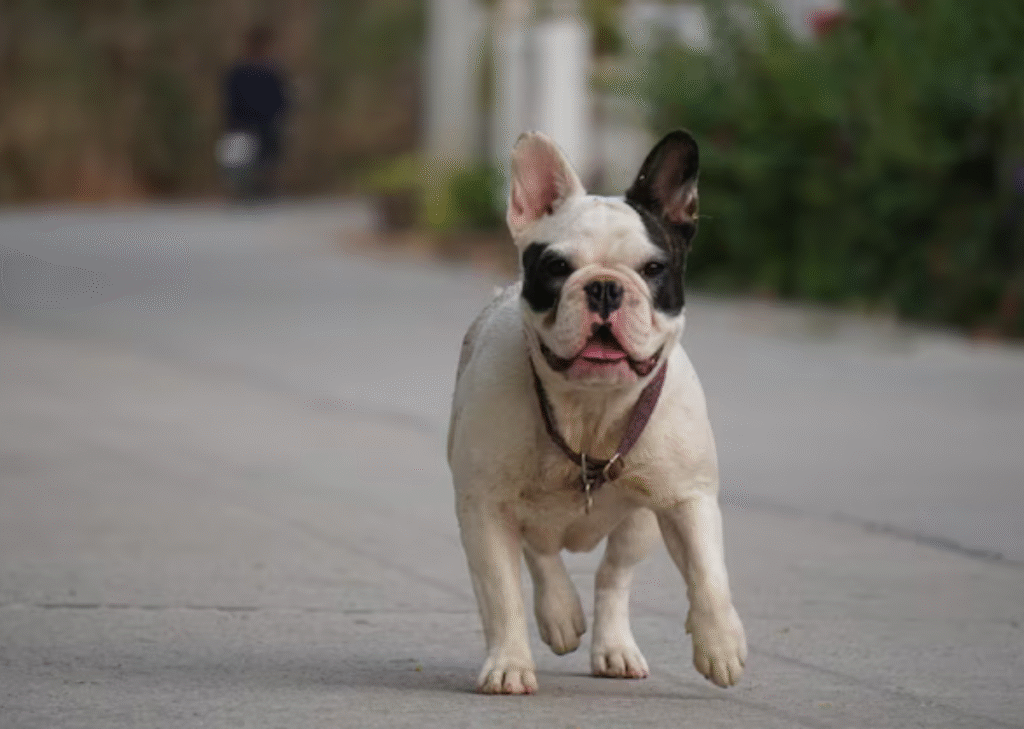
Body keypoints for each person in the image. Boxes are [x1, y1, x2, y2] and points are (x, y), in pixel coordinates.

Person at [221, 27, 289, 200]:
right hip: (243, 125)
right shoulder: (238, 72)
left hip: (265, 124)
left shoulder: (271, 72)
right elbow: (230, 99)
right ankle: (244, 189)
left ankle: (263, 188)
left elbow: (280, 100)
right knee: (241, 159)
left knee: (267, 158)